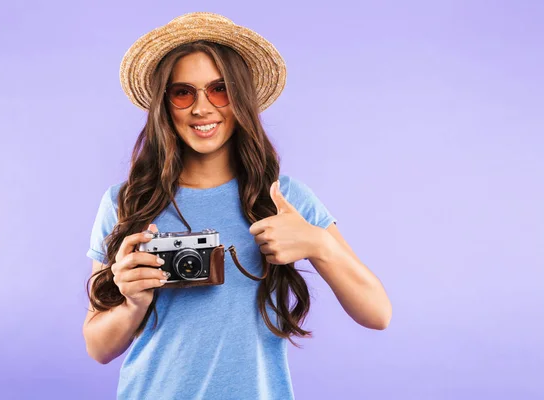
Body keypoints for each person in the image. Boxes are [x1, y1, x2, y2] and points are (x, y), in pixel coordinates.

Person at [83, 12, 392, 400]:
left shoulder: (284, 199)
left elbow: (378, 313)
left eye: (220, 89)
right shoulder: (125, 203)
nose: (201, 109)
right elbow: (98, 347)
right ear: (165, 104)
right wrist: (132, 303)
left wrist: (319, 245)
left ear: (241, 98)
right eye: (183, 92)